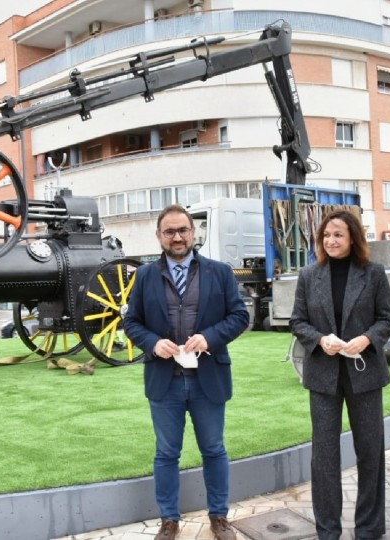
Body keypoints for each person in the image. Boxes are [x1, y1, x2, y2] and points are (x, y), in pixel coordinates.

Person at [124, 204, 249, 540]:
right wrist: (152, 343)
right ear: (159, 236)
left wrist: (209, 336)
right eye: (170, 231)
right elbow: (131, 322)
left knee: (214, 449)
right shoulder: (145, 275)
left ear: (193, 233)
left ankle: (219, 517)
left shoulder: (219, 272)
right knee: (166, 453)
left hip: (209, 380)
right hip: (165, 384)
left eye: (183, 230)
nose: (177, 237)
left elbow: (240, 317)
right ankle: (169, 520)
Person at [289, 209, 390, 540]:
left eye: (338, 235)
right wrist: (320, 340)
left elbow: (386, 320)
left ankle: (370, 528)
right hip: (323, 377)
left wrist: (366, 339)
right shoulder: (309, 276)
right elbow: (297, 322)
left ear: (353, 239)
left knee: (370, 452)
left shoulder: (373, 274)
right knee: (324, 458)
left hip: (365, 376)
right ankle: (328, 530)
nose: (330, 241)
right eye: (326, 235)